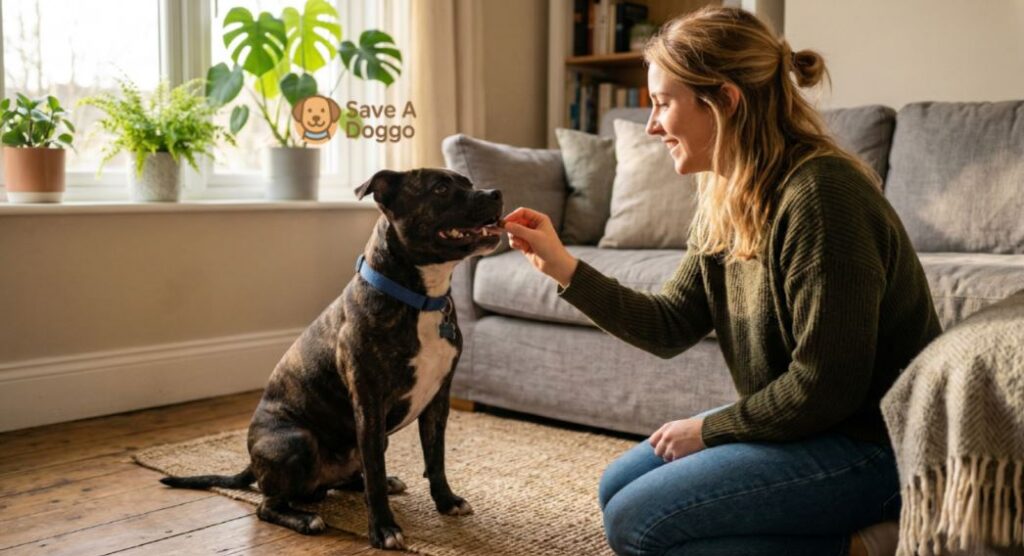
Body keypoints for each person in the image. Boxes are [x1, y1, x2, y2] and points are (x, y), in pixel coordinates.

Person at [499, 6, 941, 556]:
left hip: (873, 445)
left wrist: (708, 431)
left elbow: (826, 387)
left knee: (639, 525)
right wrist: (563, 267)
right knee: (616, 488)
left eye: (662, 103)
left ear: (725, 101)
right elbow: (670, 326)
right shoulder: (726, 195)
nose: (652, 125)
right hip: (813, 423)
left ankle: (869, 543)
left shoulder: (823, 199)